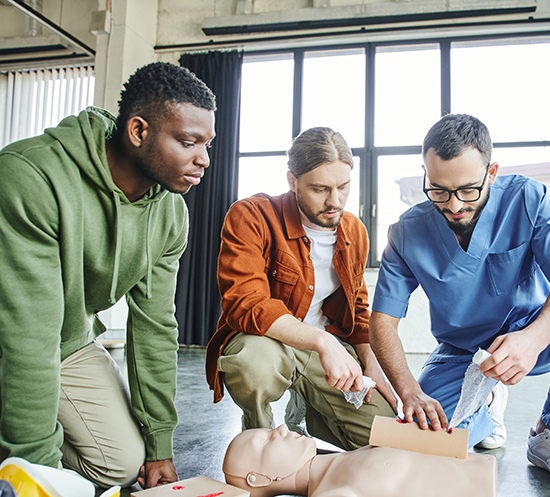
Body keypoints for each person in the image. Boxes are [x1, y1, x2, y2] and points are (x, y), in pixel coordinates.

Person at [369, 113, 550, 487]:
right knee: (426, 441)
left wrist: (532, 341)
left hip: (532, 332)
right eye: (438, 190)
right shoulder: (406, 232)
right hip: (461, 351)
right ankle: (485, 403)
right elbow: (382, 323)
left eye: (468, 190)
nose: (454, 205)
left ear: (492, 172)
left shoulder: (528, 198)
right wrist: (410, 392)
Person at [0, 62, 216, 488]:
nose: (204, 160)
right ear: (138, 132)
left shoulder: (171, 213)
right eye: (189, 142)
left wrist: (159, 444)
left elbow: (155, 326)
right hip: (15, 335)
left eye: (207, 144)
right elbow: (28, 334)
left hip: (67, 341)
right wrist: (36, 471)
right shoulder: (30, 176)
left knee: (120, 464)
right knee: (31, 458)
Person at [205, 127, 396, 452]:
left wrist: (370, 360)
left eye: (343, 187)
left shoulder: (354, 231)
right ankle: (257, 441)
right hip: (267, 341)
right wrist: (323, 342)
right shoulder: (251, 216)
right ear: (293, 181)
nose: (334, 201)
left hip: (326, 348)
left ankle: (309, 411)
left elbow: (358, 303)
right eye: (320, 189)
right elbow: (245, 303)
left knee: (387, 438)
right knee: (254, 363)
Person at [222, 425, 498, 497]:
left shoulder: (341, 462)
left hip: (480, 469)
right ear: (256, 478)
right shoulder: (333, 492)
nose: (281, 429)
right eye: (267, 440)